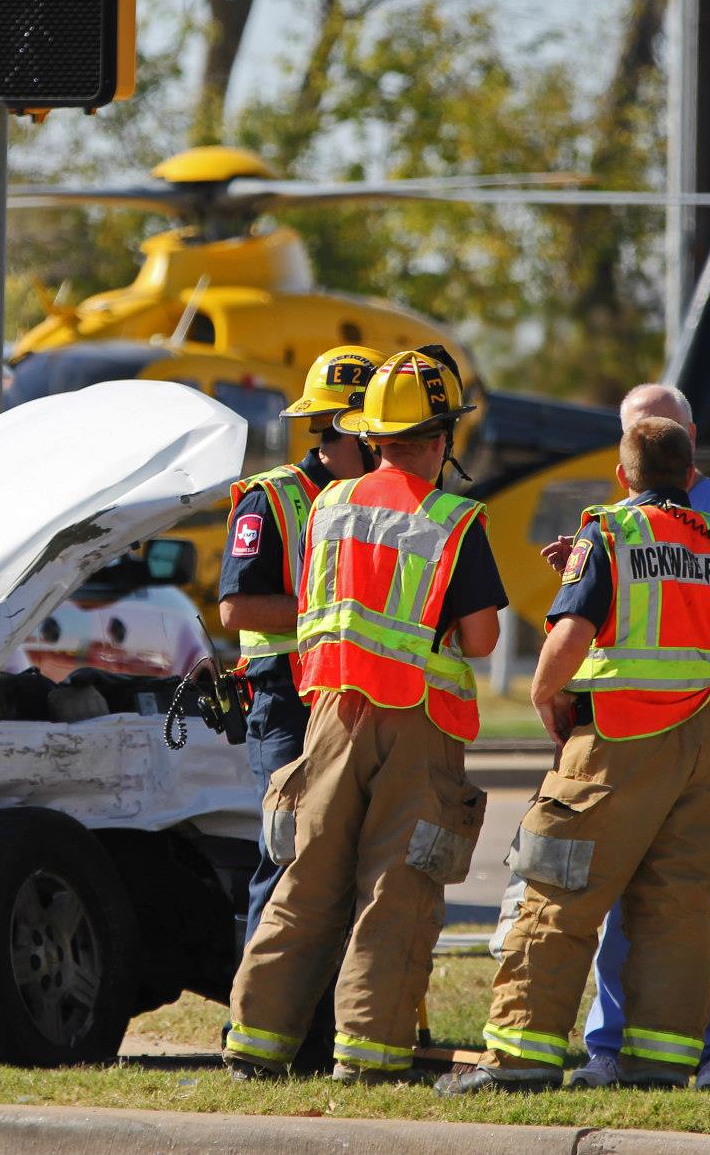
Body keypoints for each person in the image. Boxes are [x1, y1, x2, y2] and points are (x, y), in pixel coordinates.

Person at [444, 416, 710, 1096]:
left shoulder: (609, 533)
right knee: (676, 908)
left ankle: (520, 1059)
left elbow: (572, 635)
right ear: (690, 476)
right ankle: (661, 1062)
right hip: (701, 748)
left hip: (615, 740)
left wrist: (543, 697)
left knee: (555, 891)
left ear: (624, 476)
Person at [223, 349, 504, 1084]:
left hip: (330, 714)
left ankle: (253, 1044)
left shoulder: (328, 505)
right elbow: (480, 639)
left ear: (372, 435)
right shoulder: (454, 519)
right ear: (441, 438)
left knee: (306, 878)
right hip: (419, 722)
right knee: (395, 890)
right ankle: (369, 1057)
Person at [537, 385, 710, 1092]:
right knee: (640, 895)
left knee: (708, 900)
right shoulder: (620, 526)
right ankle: (617, 1043)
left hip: (697, 742)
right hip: (642, 737)